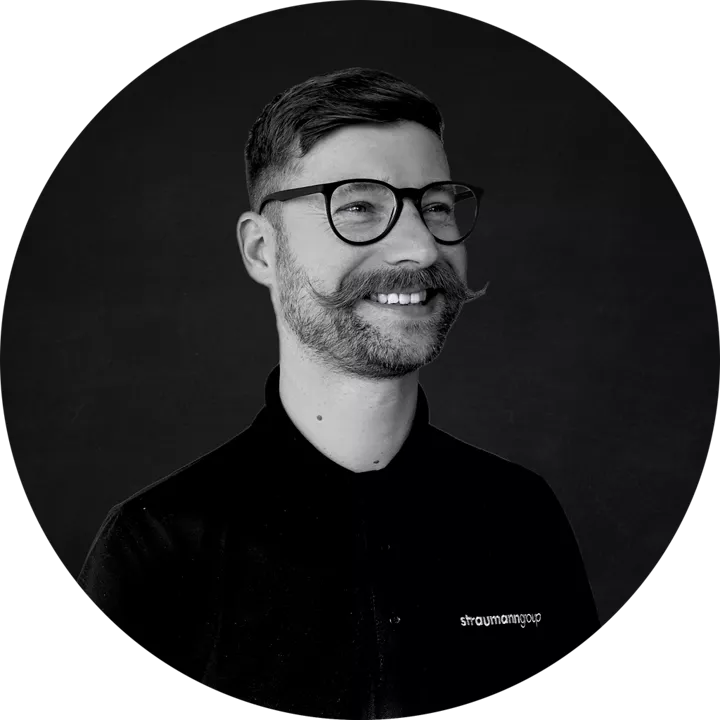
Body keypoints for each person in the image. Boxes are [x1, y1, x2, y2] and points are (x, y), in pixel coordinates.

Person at [78, 67, 599, 719]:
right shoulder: (157, 548)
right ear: (262, 251)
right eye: (358, 207)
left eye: (436, 206)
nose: (419, 247)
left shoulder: (521, 518)